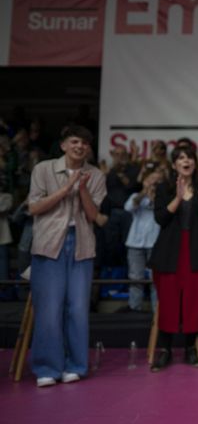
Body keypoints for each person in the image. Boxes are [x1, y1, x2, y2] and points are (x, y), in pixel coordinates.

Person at [27, 125, 106, 387]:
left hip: (81, 244)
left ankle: (76, 365)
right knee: (49, 309)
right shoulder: (44, 169)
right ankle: (47, 367)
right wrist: (67, 187)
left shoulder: (95, 174)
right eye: (74, 141)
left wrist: (81, 188)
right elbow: (34, 207)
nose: (79, 147)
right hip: (49, 244)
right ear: (63, 145)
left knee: (78, 309)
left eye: (84, 143)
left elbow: (94, 215)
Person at [149, 144, 198, 372]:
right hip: (170, 253)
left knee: (194, 302)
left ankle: (190, 349)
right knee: (168, 301)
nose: (186, 161)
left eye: (189, 158)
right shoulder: (164, 187)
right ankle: (164, 350)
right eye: (181, 158)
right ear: (174, 163)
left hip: (196, 252)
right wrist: (177, 198)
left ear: (195, 163)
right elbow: (161, 218)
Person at [121, 169, 164, 313]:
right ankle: (134, 309)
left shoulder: (164, 198)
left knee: (156, 280)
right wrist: (144, 192)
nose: (154, 182)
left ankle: (157, 312)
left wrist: (154, 196)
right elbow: (128, 207)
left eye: (158, 180)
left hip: (155, 243)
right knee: (135, 278)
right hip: (135, 242)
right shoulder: (136, 196)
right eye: (152, 178)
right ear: (145, 180)